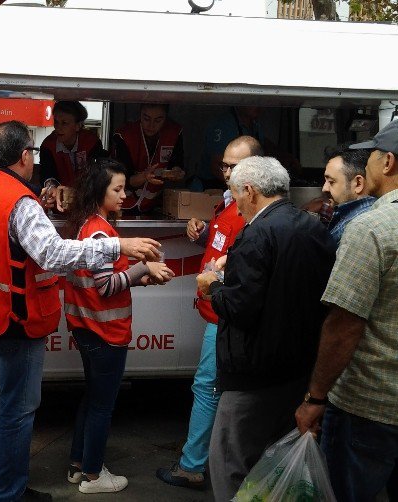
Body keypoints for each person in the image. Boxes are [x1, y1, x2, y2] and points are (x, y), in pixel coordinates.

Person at [0, 120, 163, 502]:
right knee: (16, 410)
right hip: (14, 320)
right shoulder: (20, 203)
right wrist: (118, 248)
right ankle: (7, 492)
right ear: (24, 157)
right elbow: (54, 254)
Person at [196, 156, 336, 501]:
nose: (236, 204)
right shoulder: (312, 226)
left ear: (249, 191)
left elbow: (240, 307)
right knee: (270, 462)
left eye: (235, 194)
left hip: (254, 373)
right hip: (297, 370)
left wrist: (213, 285)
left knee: (229, 462)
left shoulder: (256, 233)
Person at [295, 120, 398, 502]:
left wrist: (315, 398)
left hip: (368, 407)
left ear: (387, 163)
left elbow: (344, 324)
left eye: (370, 156)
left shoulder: (371, 228)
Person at [155, 136, 262, 490]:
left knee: (207, 388)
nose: (226, 172)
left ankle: (193, 465)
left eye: (235, 166)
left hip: (225, 317)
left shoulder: (251, 212)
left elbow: (243, 263)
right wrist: (201, 233)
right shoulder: (229, 202)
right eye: (225, 165)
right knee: (215, 388)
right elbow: (222, 248)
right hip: (217, 313)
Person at [63, 158, 174, 494]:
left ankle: (79, 465)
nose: (125, 195)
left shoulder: (88, 224)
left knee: (92, 398)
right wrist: (144, 269)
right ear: (100, 191)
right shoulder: (100, 230)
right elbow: (108, 286)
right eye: (118, 189)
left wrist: (141, 278)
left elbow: (107, 282)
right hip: (104, 334)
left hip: (87, 329)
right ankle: (94, 478)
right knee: (102, 405)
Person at [111, 103, 185, 212]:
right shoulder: (124, 135)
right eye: (146, 119)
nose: (151, 125)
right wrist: (144, 176)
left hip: (153, 206)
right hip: (123, 206)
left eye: (158, 120)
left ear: (165, 118)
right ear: (140, 115)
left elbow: (177, 163)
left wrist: (177, 172)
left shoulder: (174, 132)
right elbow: (122, 179)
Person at [39, 100, 105, 186]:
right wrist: (51, 187)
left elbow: (97, 176)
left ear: (78, 125)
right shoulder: (48, 145)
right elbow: (47, 174)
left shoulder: (92, 142)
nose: (58, 128)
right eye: (56, 122)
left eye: (64, 123)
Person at [198, 107, 265, 189]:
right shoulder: (224, 125)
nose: (257, 104)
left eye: (259, 99)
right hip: (213, 187)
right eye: (252, 99)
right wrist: (242, 189)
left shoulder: (256, 124)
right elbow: (216, 167)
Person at [320, 146, 374, 245]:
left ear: (358, 183)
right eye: (325, 181)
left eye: (331, 182)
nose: (324, 188)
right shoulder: (347, 217)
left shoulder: (358, 227)